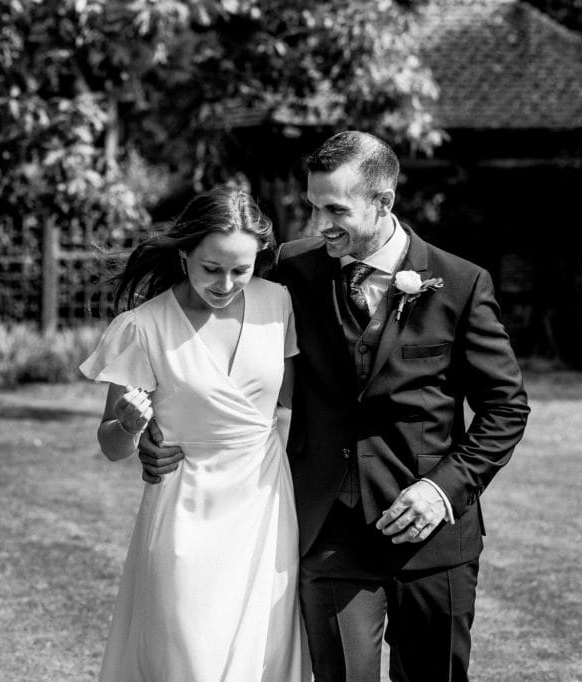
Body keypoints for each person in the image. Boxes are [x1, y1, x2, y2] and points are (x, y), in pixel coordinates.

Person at [139, 131, 530, 681]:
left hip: (434, 536)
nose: (319, 223)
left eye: (336, 210)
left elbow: (505, 408)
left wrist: (442, 489)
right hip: (329, 529)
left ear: (383, 202)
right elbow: (213, 318)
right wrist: (162, 423)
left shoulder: (461, 284)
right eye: (314, 205)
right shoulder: (294, 269)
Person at [79, 186, 310, 681]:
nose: (226, 284)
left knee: (262, 652)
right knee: (188, 653)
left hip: (264, 504)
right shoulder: (143, 327)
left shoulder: (278, 303)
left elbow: (294, 400)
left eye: (241, 270)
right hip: (185, 506)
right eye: (211, 268)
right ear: (184, 255)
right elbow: (111, 446)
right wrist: (130, 426)